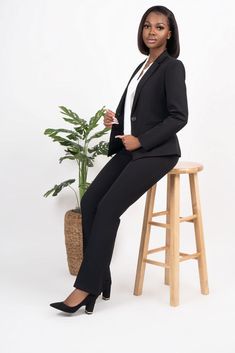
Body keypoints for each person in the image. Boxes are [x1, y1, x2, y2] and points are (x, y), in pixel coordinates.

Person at [50, 5, 188, 314]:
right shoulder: (141, 67)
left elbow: (179, 116)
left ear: (170, 33)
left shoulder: (172, 67)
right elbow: (139, 112)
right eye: (147, 26)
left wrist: (142, 139)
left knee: (110, 207)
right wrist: (116, 121)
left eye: (159, 27)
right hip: (132, 150)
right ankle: (101, 278)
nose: (152, 32)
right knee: (90, 203)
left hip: (159, 152)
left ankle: (85, 288)